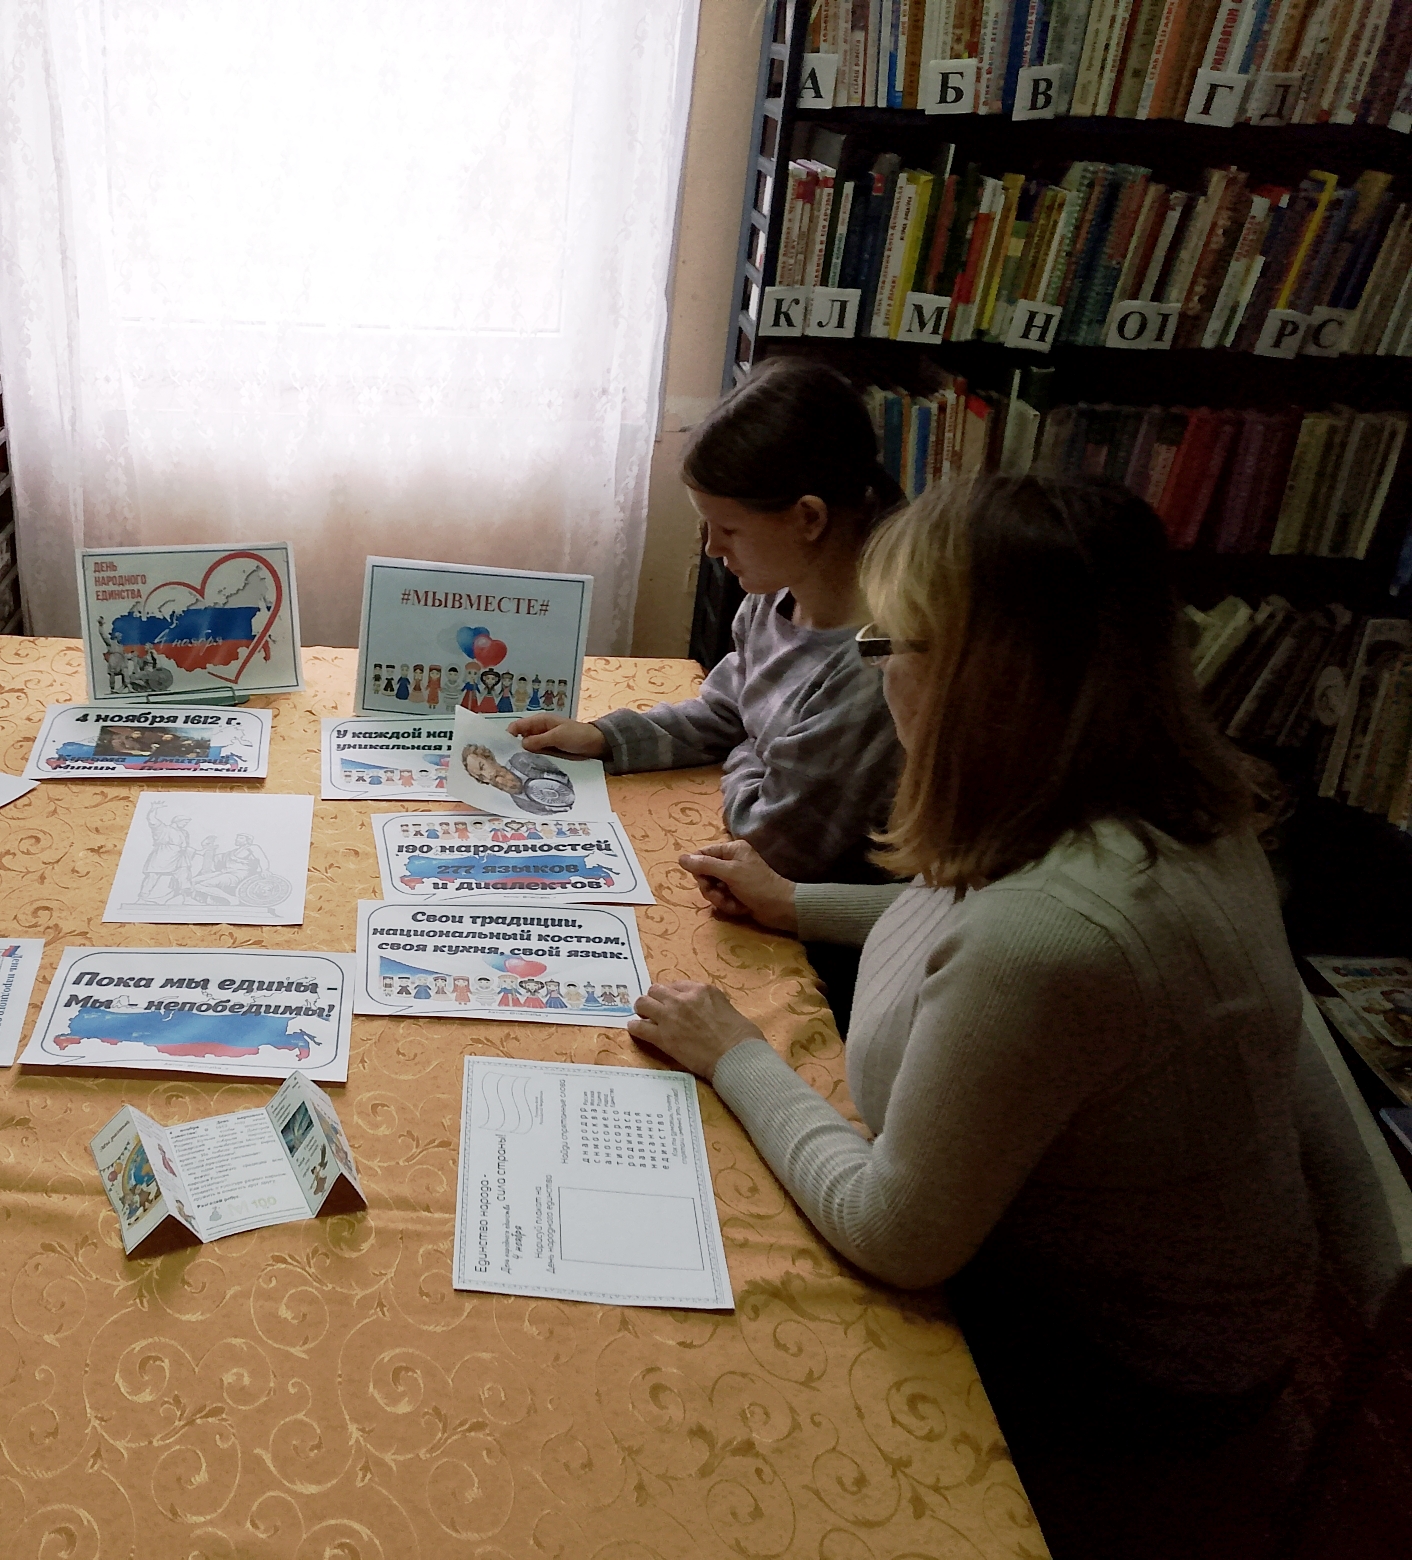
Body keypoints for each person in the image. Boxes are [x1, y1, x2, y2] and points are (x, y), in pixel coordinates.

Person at [628, 476, 1318, 1559]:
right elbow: (964, 919)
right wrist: (799, 903)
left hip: (1121, 1373)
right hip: (1125, 1280)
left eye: (887, 643)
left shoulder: (1052, 936)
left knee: (690, 1378)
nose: (875, 671)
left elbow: (893, 1233)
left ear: (986, 679)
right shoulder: (1142, 807)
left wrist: (738, 1053)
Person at [511, 358, 904, 883]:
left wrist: (746, 747)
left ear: (809, 518)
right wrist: (604, 737)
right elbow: (724, 711)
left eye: (729, 529)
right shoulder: (775, 595)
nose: (712, 548)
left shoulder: (871, 671)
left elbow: (772, 841)